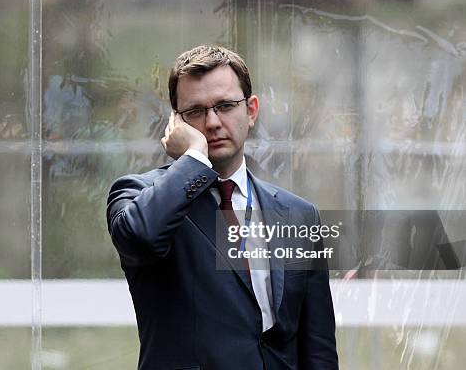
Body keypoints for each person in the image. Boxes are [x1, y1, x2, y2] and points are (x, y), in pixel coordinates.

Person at [106, 45, 338, 370]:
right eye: (196, 112)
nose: (212, 122)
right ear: (176, 123)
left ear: (252, 110)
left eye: (226, 106)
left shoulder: (299, 215)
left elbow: (319, 350)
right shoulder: (139, 196)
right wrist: (195, 157)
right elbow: (141, 237)